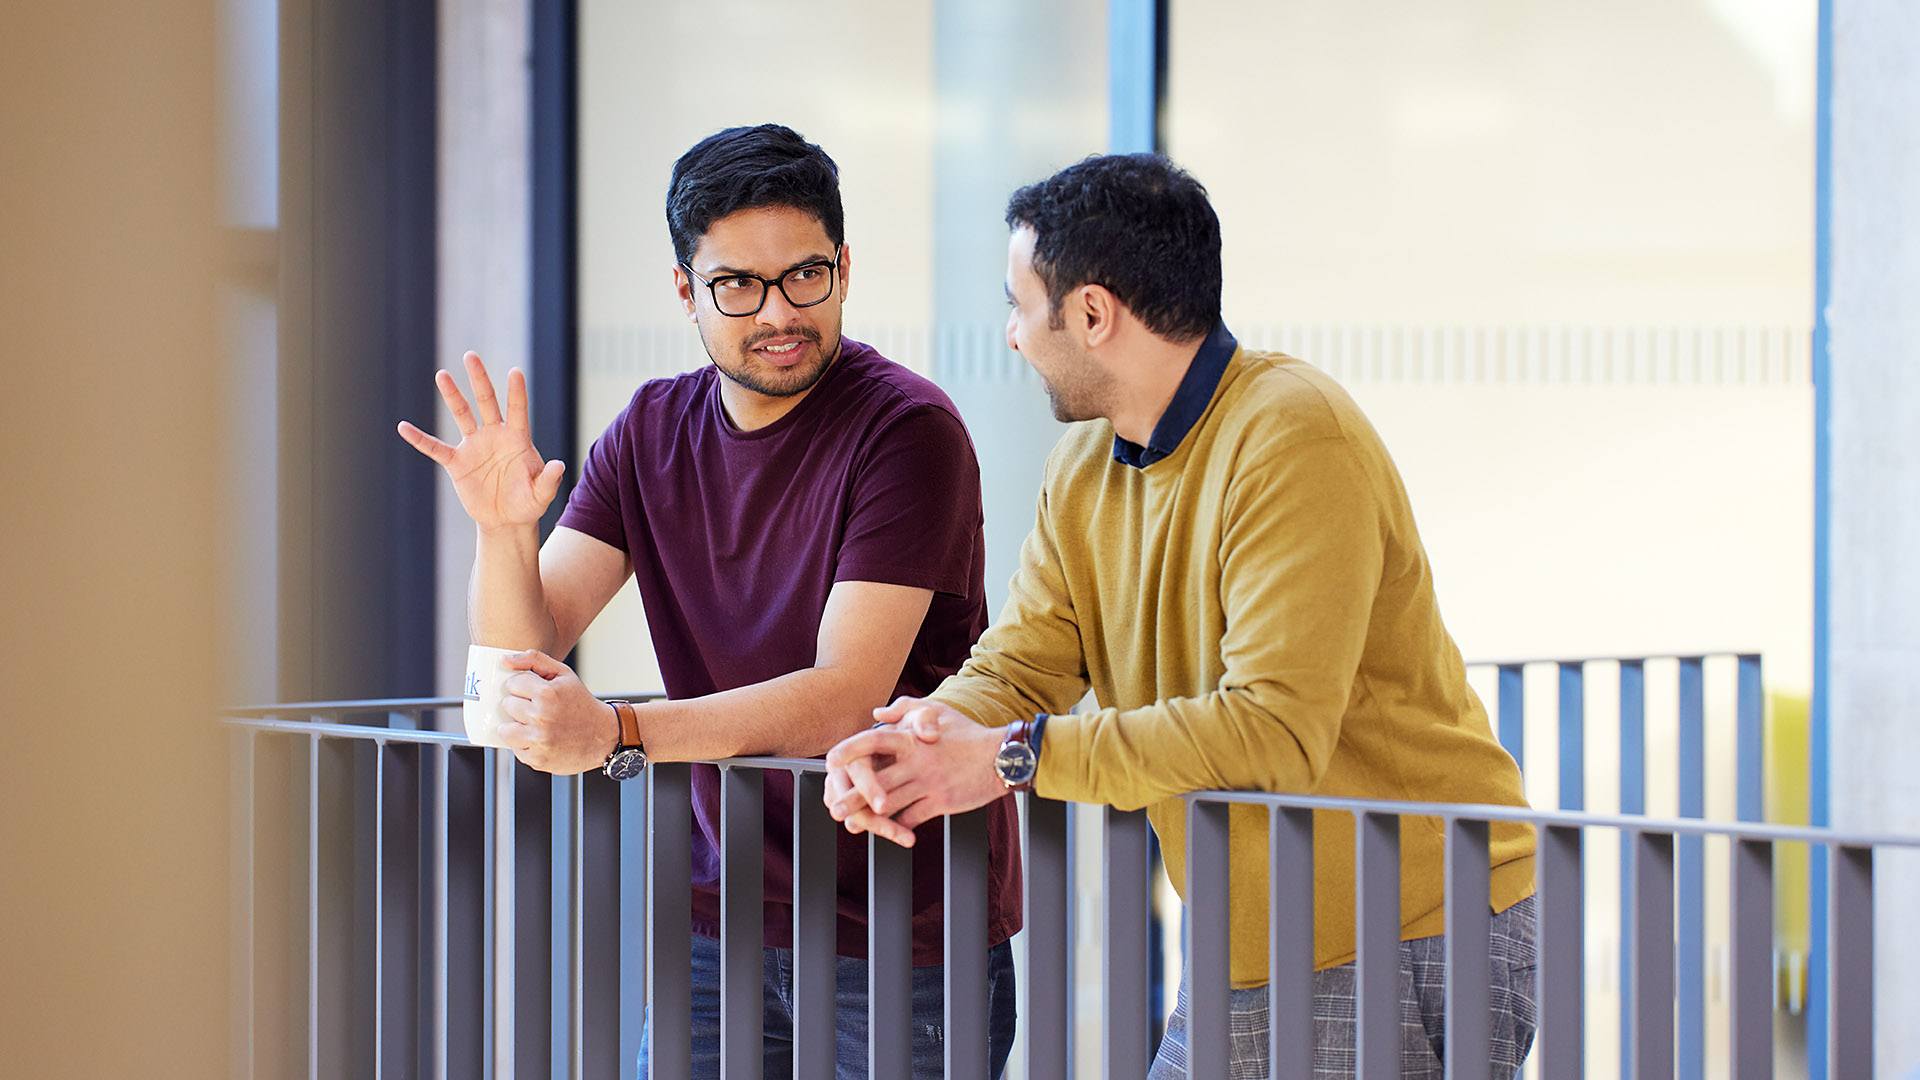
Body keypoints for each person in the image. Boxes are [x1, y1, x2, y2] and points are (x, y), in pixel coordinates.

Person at [822, 153, 1538, 1079]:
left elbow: (1275, 727)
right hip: (1257, 930)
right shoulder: (1085, 470)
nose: (1010, 335)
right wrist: (919, 736)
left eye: (1020, 304)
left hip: (1402, 920)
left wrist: (1014, 757)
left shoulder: (1293, 434)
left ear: (1090, 313)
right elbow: (1025, 659)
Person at [398, 124, 1021, 1079]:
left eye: (805, 275)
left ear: (845, 267)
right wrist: (501, 534)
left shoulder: (908, 431)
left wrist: (617, 731)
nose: (779, 312)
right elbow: (526, 649)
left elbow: (841, 698)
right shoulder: (651, 428)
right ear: (687, 291)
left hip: (901, 915)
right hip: (720, 909)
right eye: (737, 285)